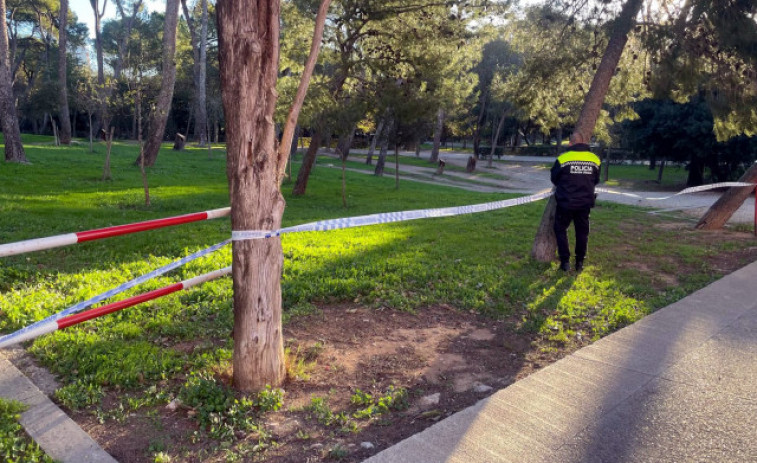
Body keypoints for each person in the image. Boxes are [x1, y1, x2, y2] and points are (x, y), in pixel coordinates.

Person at [550, 133, 601, 272]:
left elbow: (554, 178)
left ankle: (565, 262)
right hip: (585, 203)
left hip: (565, 202)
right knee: (582, 232)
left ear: (570, 144)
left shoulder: (563, 158)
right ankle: (579, 262)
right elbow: (596, 180)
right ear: (584, 142)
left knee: (560, 229)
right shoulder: (595, 159)